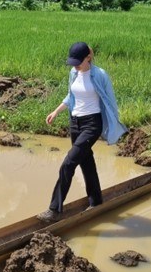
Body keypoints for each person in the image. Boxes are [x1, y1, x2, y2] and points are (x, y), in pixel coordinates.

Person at [37, 42, 127, 223]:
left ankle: (54, 210)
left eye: (78, 62)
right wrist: (56, 111)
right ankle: (96, 200)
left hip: (92, 124)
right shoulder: (74, 73)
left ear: (89, 57)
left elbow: (110, 101)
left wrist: (113, 123)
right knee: (86, 161)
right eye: (73, 63)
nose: (75, 66)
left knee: (68, 164)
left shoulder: (100, 75)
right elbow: (71, 96)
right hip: (75, 123)